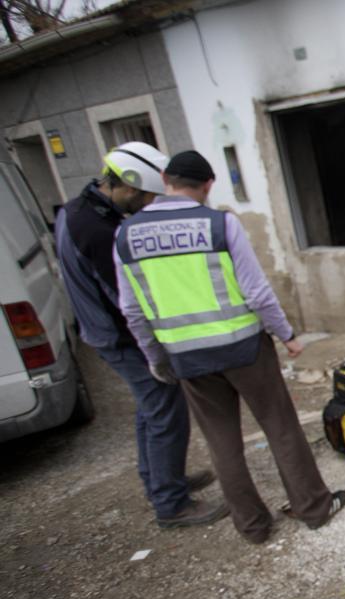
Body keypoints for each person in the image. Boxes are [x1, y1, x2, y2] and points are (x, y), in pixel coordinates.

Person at [114, 150, 345, 544]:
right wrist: (286, 334)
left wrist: (157, 358)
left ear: (165, 179)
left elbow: (132, 310)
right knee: (280, 426)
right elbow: (256, 291)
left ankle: (253, 526)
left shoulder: (127, 235)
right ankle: (313, 507)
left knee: (222, 442)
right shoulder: (219, 224)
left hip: (186, 356)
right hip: (244, 349)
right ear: (207, 185)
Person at [55, 141, 227, 528]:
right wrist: (158, 344)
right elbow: (126, 301)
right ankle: (172, 503)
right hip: (119, 336)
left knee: (150, 409)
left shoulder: (76, 210)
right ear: (129, 187)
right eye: (148, 196)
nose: (149, 205)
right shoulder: (97, 230)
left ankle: (160, 481)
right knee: (166, 409)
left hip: (104, 332)